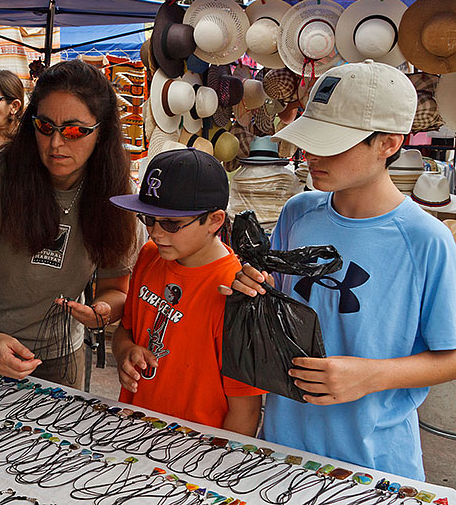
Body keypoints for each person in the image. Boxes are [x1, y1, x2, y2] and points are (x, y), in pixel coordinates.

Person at [221, 61, 456, 479]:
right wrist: (254, 287)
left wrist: (371, 375)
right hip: (283, 445)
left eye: (332, 143)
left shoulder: (426, 239)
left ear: (388, 143)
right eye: (310, 139)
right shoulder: (298, 212)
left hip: (374, 457)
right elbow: (281, 302)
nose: (311, 154)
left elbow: (451, 354)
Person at [0, 59, 140, 388]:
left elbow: (115, 289)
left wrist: (102, 310)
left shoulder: (115, 192)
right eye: (45, 127)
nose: (56, 144)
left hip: (58, 357)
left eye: (75, 131)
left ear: (102, 131)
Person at [110, 148, 264, 436]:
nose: (156, 233)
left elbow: (245, 411)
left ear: (215, 221)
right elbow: (125, 331)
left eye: (171, 223)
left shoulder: (236, 292)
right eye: (149, 219)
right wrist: (126, 353)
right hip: (134, 429)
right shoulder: (150, 255)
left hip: (196, 450)